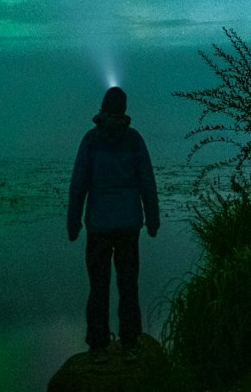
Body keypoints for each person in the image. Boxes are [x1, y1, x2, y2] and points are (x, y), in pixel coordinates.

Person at [66, 85, 160, 363]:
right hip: (129, 226)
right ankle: (130, 344)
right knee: (128, 284)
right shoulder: (134, 140)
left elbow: (78, 185)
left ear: (104, 107)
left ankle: (98, 347)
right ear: (124, 109)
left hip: (98, 227)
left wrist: (73, 223)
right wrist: (152, 220)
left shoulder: (91, 141)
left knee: (98, 286)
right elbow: (147, 183)